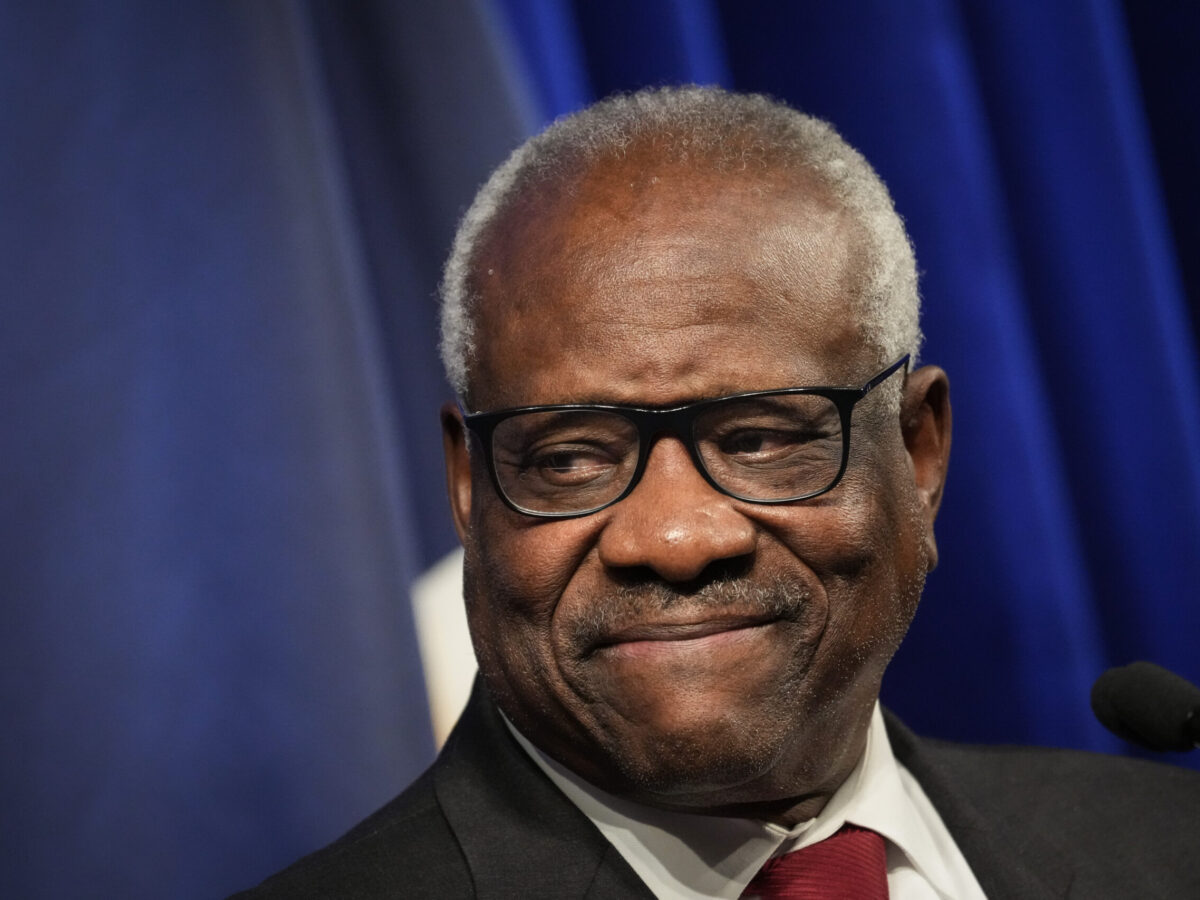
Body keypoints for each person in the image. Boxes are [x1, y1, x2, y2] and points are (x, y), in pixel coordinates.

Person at [234, 86, 1200, 899]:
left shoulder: (1170, 847)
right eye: (571, 458)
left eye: (760, 439)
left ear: (918, 454)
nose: (675, 537)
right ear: (467, 487)